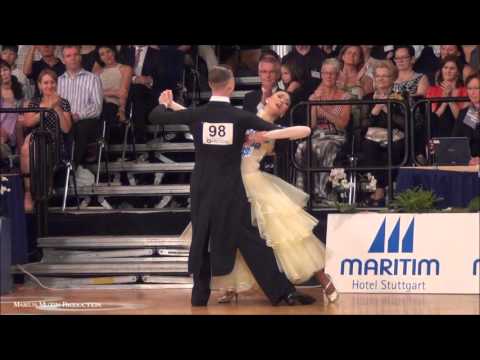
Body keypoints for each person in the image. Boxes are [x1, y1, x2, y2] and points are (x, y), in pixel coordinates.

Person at [149, 65, 316, 307]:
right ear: (231, 86)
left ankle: (199, 297)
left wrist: (164, 102)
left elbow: (156, 117)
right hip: (231, 190)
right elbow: (303, 130)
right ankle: (283, 292)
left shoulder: (199, 114)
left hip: (202, 188)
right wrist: (267, 136)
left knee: (202, 237)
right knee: (250, 239)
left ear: (210, 85)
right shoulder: (239, 117)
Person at [169, 90, 339, 304]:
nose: (282, 101)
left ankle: (324, 280)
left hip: (254, 184)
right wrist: (172, 104)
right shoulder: (241, 118)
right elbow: (199, 117)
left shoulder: (268, 128)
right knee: (229, 234)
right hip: (230, 184)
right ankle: (231, 286)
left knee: (289, 234)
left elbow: (303, 131)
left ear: (286, 110)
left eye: (286, 102)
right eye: (279, 96)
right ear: (267, 98)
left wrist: (266, 136)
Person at [295, 58, 351, 206]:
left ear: (338, 75)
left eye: (332, 73)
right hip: (317, 135)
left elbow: (342, 124)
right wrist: (313, 105)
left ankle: (323, 193)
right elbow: (312, 125)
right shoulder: (316, 95)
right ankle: (304, 192)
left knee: (324, 146)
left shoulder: (345, 97)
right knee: (302, 147)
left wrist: (322, 110)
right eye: (325, 73)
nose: (328, 76)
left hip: (336, 135)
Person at [20, 69, 72, 211]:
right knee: (27, 147)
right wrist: (47, 108)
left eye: (52, 82)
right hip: (35, 140)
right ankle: (28, 192)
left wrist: (57, 108)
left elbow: (66, 129)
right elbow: (28, 123)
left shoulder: (64, 103)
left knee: (42, 145)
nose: (49, 86)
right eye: (46, 83)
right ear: (39, 85)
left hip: (55, 142)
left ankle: (45, 189)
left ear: (56, 84)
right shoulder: (34, 102)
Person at [360, 61, 407, 206]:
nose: (380, 79)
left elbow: (405, 124)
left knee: (396, 147)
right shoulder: (368, 98)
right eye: (378, 76)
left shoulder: (400, 96)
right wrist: (375, 110)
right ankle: (380, 187)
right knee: (367, 146)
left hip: (395, 135)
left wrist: (386, 109)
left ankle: (387, 189)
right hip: (372, 136)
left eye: (385, 76)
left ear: (393, 78)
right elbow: (362, 125)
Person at [57, 45, 103, 170]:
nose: (73, 58)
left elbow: (96, 107)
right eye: (68, 56)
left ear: (80, 56)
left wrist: (77, 116)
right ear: (63, 60)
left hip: (85, 122)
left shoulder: (93, 79)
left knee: (79, 127)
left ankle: (71, 168)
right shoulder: (58, 82)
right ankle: (56, 168)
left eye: (75, 55)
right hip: (64, 121)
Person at [426, 55, 469, 138]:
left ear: (458, 72)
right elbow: (432, 120)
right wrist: (445, 101)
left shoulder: (466, 91)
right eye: (445, 67)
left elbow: (462, 121)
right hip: (438, 134)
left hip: (459, 135)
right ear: (441, 70)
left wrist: (450, 99)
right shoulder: (432, 90)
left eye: (452, 68)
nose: (448, 71)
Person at [452, 73, 480, 165]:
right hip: (469, 163)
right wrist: (468, 158)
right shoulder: (466, 113)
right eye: (470, 88)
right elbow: (457, 141)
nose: (472, 92)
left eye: (476, 88)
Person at [0, 59, 25, 162]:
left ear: (10, 70)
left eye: (5, 69)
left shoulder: (21, 89)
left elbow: (26, 111)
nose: (2, 73)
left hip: (16, 131)